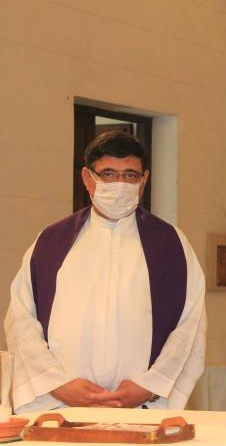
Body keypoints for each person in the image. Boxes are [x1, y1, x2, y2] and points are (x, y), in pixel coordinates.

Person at [5, 132, 206, 413]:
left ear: (144, 180)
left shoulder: (171, 244)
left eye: (130, 176)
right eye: (108, 174)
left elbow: (190, 325)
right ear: (88, 178)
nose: (120, 184)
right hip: (62, 404)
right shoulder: (50, 241)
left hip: (141, 407)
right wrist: (55, 383)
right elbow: (21, 319)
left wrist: (151, 385)